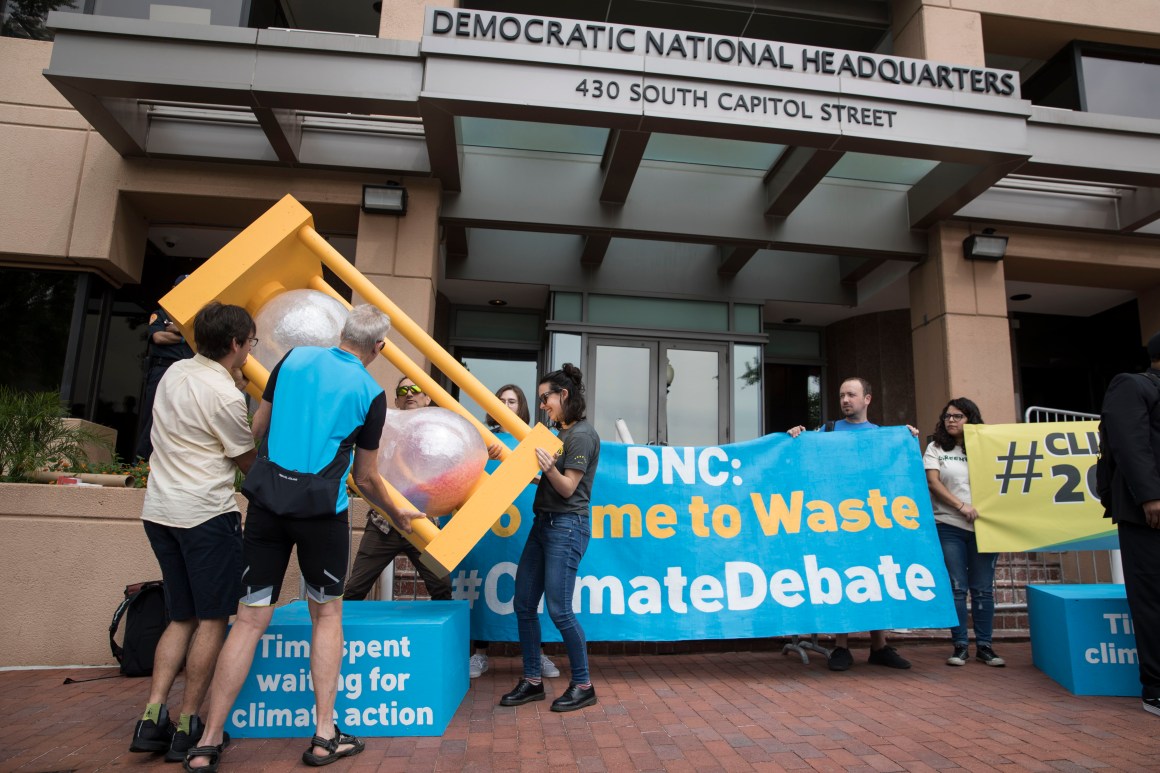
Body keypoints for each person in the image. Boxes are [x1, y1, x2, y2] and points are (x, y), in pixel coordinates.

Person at [185, 305, 424, 772]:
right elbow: (368, 478)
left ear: (342, 333)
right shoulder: (371, 393)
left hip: (268, 506)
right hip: (322, 514)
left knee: (250, 618)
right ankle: (323, 736)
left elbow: (258, 427)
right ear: (379, 348)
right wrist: (398, 512)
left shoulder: (292, 359)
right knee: (327, 616)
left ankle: (207, 741)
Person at [129, 302, 257, 762]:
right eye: (250, 343)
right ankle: (189, 724)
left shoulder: (175, 374)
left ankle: (151, 717)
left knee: (180, 616)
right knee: (211, 620)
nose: (251, 351)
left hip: (159, 510)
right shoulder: (224, 396)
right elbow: (245, 460)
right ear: (236, 344)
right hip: (205, 515)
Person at [787, 376, 916, 672]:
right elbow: (801, 457)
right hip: (836, 521)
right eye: (842, 395)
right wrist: (796, 435)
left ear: (867, 399)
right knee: (845, 579)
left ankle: (879, 646)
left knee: (876, 580)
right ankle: (841, 647)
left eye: (852, 395)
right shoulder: (827, 430)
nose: (845, 400)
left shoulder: (883, 435)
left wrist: (906, 439)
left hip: (873, 521)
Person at [500, 364, 600, 712]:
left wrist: (548, 468)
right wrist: (510, 460)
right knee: (524, 604)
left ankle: (583, 685)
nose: (543, 405)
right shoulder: (559, 431)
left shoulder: (581, 436)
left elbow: (567, 486)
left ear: (564, 395)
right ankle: (532, 681)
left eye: (546, 398)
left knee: (559, 610)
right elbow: (546, 482)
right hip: (544, 524)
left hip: (567, 527)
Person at [469, 384, 560, 680]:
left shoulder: (535, 440)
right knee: (484, 589)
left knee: (532, 591)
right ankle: (479, 653)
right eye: (501, 401)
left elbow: (545, 478)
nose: (506, 406)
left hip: (526, 525)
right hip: (488, 527)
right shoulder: (481, 439)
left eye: (512, 401)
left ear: (521, 408)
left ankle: (538, 653)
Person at [343, 376, 453, 602]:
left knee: (442, 590)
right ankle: (340, 637)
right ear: (396, 401)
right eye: (403, 392)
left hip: (423, 522)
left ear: (427, 397)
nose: (409, 394)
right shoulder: (382, 430)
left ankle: (441, 638)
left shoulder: (440, 432)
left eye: (415, 389)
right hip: (383, 521)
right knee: (354, 590)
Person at [1098, 330, 1160, 718]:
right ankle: (1155, 688)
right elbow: (1129, 441)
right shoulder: (1132, 385)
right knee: (1153, 600)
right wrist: (1150, 495)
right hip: (1147, 513)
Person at [923, 397, 1005, 667]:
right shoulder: (936, 447)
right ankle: (960, 645)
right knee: (957, 588)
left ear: (971, 419)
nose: (951, 421)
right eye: (947, 416)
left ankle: (985, 646)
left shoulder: (986, 446)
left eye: (958, 416)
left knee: (982, 590)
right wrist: (961, 506)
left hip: (985, 527)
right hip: (949, 525)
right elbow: (933, 483)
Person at [134, 275, 195, 460]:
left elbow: (198, 341)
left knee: (183, 418)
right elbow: (158, 337)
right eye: (181, 287)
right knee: (154, 414)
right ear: (173, 288)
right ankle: (142, 462)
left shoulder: (195, 317)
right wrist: (185, 337)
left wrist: (178, 332)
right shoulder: (160, 314)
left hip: (187, 372)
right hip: (163, 370)